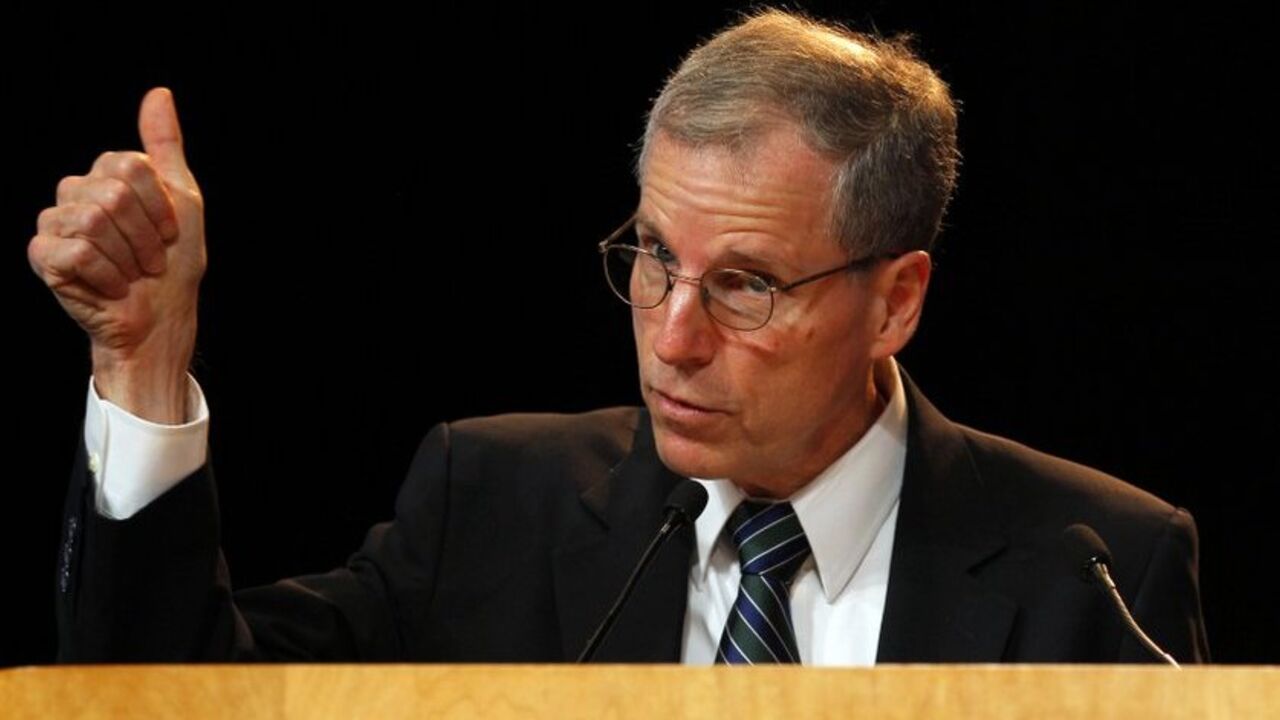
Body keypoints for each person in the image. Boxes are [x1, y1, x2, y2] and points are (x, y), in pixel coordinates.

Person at [32, 10, 1209, 664]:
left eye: (745, 285)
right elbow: (162, 697)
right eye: (653, 258)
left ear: (894, 300)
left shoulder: (1091, 570)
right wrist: (144, 363)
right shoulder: (492, 503)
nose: (673, 339)